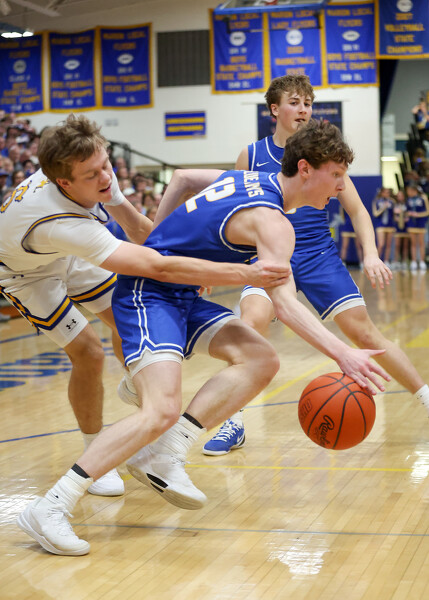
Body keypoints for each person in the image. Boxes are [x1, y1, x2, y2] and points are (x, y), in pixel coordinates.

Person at [16, 120, 390, 556]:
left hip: (181, 294)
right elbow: (286, 307)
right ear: (305, 169)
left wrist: (159, 235)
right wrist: (344, 354)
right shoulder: (275, 224)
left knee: (262, 359)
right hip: (149, 294)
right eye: (337, 175)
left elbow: (184, 179)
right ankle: (51, 506)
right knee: (161, 409)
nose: (342, 187)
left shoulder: (249, 179)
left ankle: (165, 451)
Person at [0, 114, 288, 498]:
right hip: (27, 273)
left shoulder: (91, 170)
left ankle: (139, 387)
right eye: (93, 174)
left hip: (68, 253)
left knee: (125, 316)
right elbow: (155, 266)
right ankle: (95, 453)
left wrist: (185, 263)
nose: (105, 177)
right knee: (88, 353)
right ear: (65, 183)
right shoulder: (60, 222)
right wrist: (218, 272)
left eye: (106, 164)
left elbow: (139, 229)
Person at [204, 74, 429, 456]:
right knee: (249, 324)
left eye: (308, 103)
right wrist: (208, 266)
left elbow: (357, 210)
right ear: (274, 109)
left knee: (365, 334)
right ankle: (233, 421)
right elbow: (229, 212)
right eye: (294, 102)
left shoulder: (325, 154)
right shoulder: (251, 155)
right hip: (269, 255)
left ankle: (425, 397)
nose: (303, 109)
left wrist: (370, 254)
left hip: (317, 254)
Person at [405, 183, 429, 271]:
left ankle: (422, 261)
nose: (408, 193)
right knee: (413, 243)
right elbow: (406, 211)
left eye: (409, 191)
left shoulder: (423, 198)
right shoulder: (408, 200)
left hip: (421, 223)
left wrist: (417, 214)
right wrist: (408, 213)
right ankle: (414, 261)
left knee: (421, 243)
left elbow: (427, 211)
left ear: (414, 190)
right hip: (411, 223)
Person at [372, 187, 396, 266]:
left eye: (388, 192)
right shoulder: (377, 201)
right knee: (381, 244)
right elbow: (375, 214)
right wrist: (383, 208)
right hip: (380, 225)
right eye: (385, 192)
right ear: (381, 193)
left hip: (390, 225)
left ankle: (386, 261)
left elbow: (394, 214)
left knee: (388, 245)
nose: (386, 194)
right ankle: (377, 260)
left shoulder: (392, 201)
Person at [392, 189, 409, 271]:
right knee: (397, 245)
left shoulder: (407, 204)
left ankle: (404, 261)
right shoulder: (395, 204)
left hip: (406, 226)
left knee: (405, 245)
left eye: (401, 196)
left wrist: (406, 218)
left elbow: (409, 213)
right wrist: (396, 218)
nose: (400, 197)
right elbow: (393, 215)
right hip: (397, 226)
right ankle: (395, 261)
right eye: (398, 196)